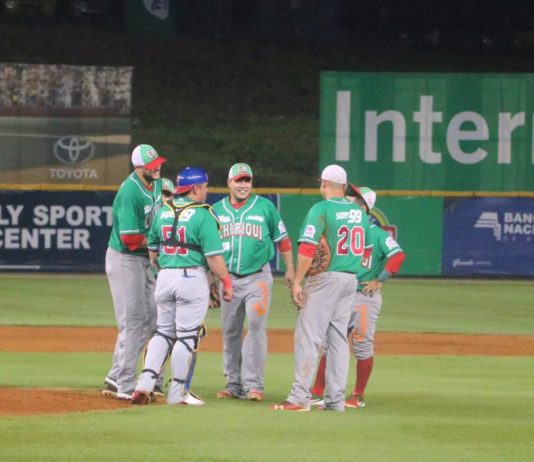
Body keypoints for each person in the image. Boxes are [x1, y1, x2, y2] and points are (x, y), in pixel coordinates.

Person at [131, 166, 233, 406]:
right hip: (191, 278)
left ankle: (144, 385)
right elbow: (214, 257)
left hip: (165, 277)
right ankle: (177, 392)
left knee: (163, 333)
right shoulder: (203, 214)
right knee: (187, 337)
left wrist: (163, 271)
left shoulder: (163, 211)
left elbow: (152, 250)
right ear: (195, 188)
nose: (206, 192)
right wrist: (226, 282)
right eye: (204, 187)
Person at [273, 165, 370, 412]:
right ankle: (336, 400)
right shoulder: (360, 213)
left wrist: (298, 280)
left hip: (325, 280)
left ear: (325, 184)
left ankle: (299, 398)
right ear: (344, 186)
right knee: (338, 340)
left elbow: (308, 248)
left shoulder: (321, 209)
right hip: (350, 279)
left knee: (309, 336)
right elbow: (364, 248)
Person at [309, 185, 406, 408]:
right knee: (329, 343)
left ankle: (357, 395)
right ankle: (317, 391)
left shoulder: (376, 233)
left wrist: (379, 280)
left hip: (364, 297)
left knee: (362, 344)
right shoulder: (340, 228)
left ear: (363, 207)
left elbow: (398, 256)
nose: (349, 200)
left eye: (354, 198)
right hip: (341, 294)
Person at [212, 162, 294, 401]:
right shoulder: (216, 210)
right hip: (228, 279)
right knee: (230, 331)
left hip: (258, 278)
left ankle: (254, 385)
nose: (243, 185)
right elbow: (209, 248)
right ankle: (233, 383)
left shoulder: (265, 207)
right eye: (238, 180)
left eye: (247, 180)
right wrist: (211, 280)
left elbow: (283, 240)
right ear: (229, 183)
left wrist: (290, 269)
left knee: (256, 327)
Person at [103, 144, 166, 400]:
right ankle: (125, 383)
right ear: (138, 168)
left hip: (144, 259)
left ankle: (117, 373)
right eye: (152, 166)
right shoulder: (129, 192)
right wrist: (159, 243)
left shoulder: (156, 185)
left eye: (158, 163)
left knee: (152, 319)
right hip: (125, 259)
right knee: (134, 320)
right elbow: (129, 239)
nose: (157, 168)